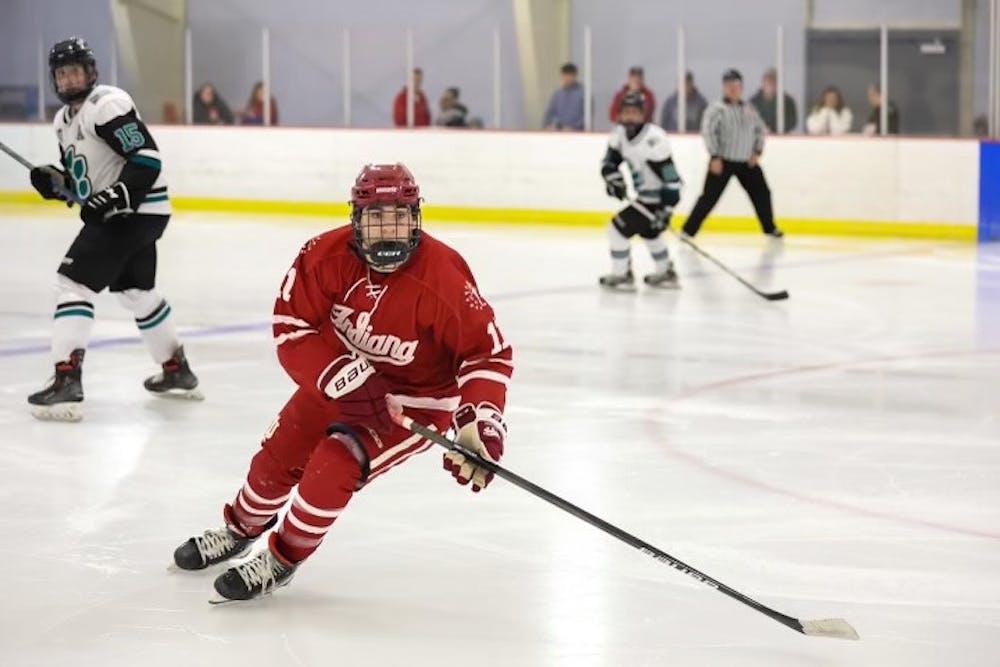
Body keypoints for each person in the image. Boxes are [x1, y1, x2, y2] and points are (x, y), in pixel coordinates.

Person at [172, 163, 514, 602]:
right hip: (338, 379)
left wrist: (479, 420)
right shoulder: (322, 255)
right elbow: (291, 326)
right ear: (356, 218)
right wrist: (344, 378)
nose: (388, 228)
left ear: (416, 218)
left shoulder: (445, 275)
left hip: (412, 402)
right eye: (375, 216)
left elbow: (487, 353)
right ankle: (239, 529)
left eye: (399, 215)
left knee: (334, 464)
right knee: (277, 457)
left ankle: (282, 559)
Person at [26, 37, 200, 422]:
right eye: (62, 73)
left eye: (76, 70)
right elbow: (82, 181)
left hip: (132, 212)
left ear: (91, 72)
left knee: (72, 285)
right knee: (137, 292)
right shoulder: (63, 122)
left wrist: (117, 196)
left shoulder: (105, 105)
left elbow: (147, 159)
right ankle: (177, 370)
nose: (70, 79)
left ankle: (66, 380)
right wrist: (55, 182)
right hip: (138, 214)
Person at [681, 69, 783, 239]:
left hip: (747, 162)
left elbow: (759, 130)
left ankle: (769, 228)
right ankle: (688, 230)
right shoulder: (716, 109)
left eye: (735, 85)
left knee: (762, 193)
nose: (732, 89)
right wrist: (714, 156)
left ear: (741, 87)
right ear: (724, 87)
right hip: (723, 161)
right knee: (709, 197)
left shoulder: (749, 108)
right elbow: (708, 132)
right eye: (728, 85)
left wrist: (757, 151)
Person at [599, 92, 683, 290]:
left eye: (634, 112)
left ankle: (622, 275)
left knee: (616, 230)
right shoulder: (619, 135)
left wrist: (666, 210)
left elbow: (672, 180)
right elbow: (609, 164)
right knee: (650, 233)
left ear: (643, 114)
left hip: (656, 200)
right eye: (626, 112)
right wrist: (615, 181)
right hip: (644, 197)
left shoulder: (654, 139)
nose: (630, 117)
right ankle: (665, 272)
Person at [749, 68, 797, 134]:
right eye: (767, 81)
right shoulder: (753, 102)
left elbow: (792, 121)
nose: (769, 84)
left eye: (772, 81)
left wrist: (775, 129)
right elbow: (748, 121)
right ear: (762, 82)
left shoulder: (787, 101)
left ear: (777, 83)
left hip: (781, 138)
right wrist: (761, 128)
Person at [543, 62, 584, 131]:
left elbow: (586, 116)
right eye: (565, 75)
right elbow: (549, 112)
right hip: (560, 131)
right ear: (562, 76)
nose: (567, 78)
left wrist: (575, 128)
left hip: (577, 132)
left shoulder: (583, 93)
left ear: (575, 76)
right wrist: (547, 125)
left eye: (570, 75)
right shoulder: (557, 94)